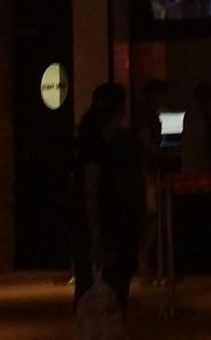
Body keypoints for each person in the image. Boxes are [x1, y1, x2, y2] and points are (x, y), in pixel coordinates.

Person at [76, 82, 150, 315]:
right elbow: (92, 190)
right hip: (113, 226)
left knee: (93, 287)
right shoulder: (106, 144)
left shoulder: (87, 140)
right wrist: (96, 236)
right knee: (115, 286)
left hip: (102, 226)